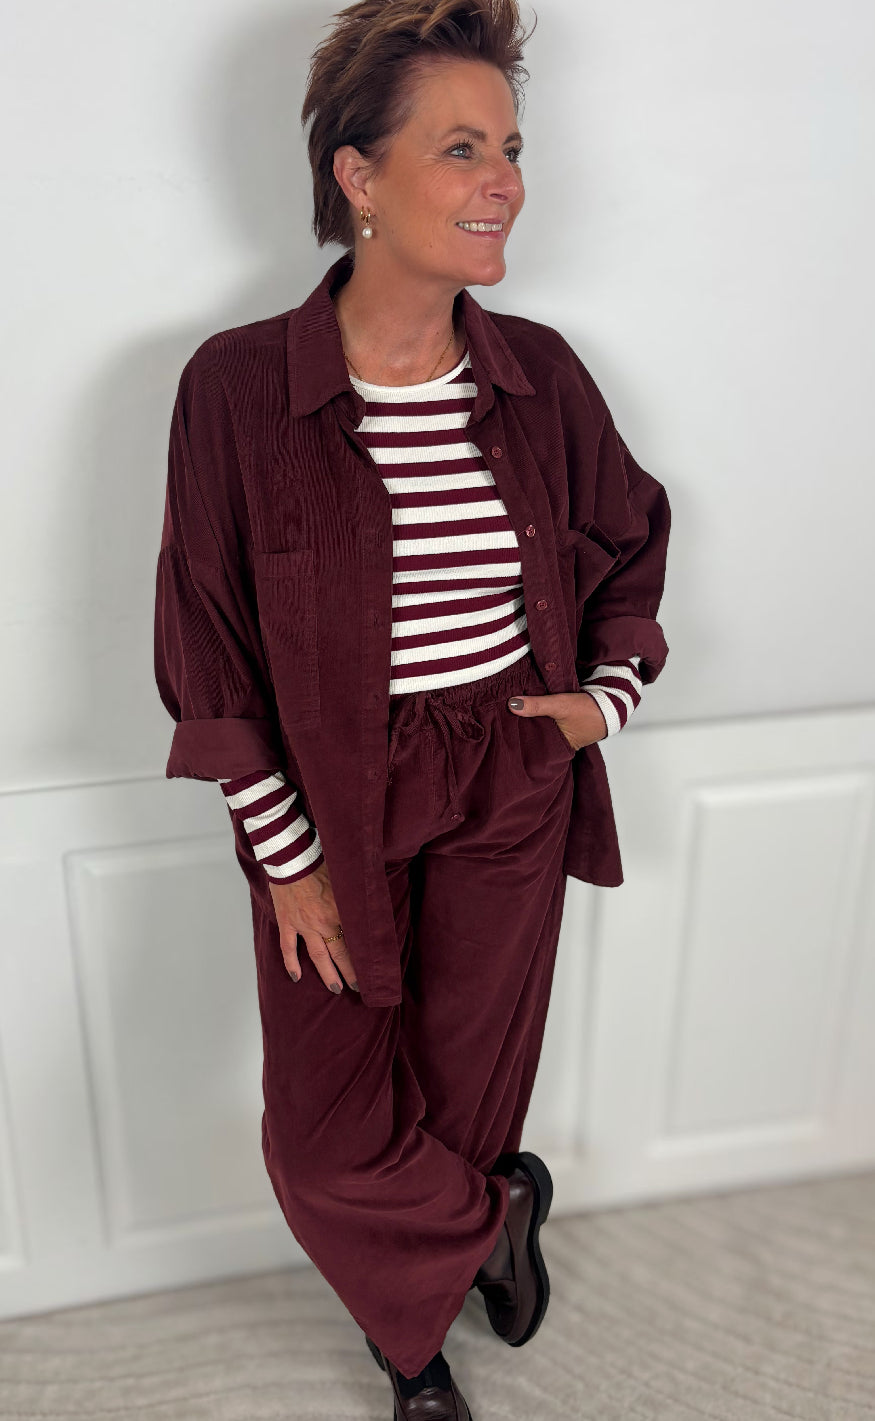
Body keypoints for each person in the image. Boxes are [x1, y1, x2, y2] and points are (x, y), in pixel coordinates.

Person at [153, 0, 671, 1414]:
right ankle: (496, 1219)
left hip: (508, 769)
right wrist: (288, 858)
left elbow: (631, 540)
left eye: (511, 147)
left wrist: (602, 704)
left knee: (461, 1092)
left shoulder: (541, 377)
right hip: (332, 792)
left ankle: (409, 1350)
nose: (505, 180)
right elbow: (207, 642)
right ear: (358, 176)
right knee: (327, 1137)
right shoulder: (237, 389)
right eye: (461, 148)